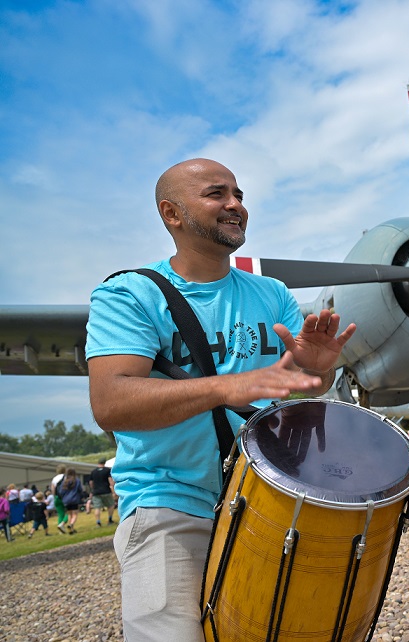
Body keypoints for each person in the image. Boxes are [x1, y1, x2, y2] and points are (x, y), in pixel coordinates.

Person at [85, 158, 356, 641]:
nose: (235, 205)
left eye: (239, 194)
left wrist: (318, 368)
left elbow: (301, 386)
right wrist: (224, 387)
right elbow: (110, 401)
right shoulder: (128, 295)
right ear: (172, 213)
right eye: (217, 194)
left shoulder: (272, 293)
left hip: (270, 500)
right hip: (169, 502)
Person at [88, 458, 115, 527]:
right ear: (104, 463)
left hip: (96, 492)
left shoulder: (93, 471)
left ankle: (98, 522)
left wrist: (93, 489)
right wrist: (113, 490)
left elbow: (91, 482)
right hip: (106, 491)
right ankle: (110, 519)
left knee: (97, 508)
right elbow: (110, 481)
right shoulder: (107, 470)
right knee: (111, 505)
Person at [57, 468, 84, 534]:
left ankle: (71, 529)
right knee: (74, 514)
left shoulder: (64, 481)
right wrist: (81, 497)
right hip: (74, 500)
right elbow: (80, 489)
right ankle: (70, 524)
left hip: (66, 501)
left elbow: (60, 491)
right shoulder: (76, 480)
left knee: (69, 514)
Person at [50, 464, 68, 534]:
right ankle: (62, 524)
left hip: (57, 498)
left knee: (60, 514)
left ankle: (61, 530)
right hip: (65, 497)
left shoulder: (54, 479)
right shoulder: (66, 477)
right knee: (69, 512)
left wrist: (55, 497)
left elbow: (53, 489)